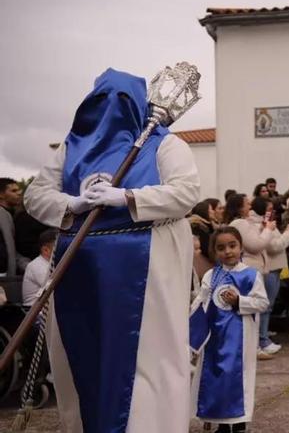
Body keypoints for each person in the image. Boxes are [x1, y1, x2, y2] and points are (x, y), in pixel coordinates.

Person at [23, 68, 200, 432]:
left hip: (146, 268)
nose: (110, 110)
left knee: (146, 362)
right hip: (81, 268)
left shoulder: (164, 143)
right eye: (102, 101)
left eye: (120, 102)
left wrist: (128, 197)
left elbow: (186, 193)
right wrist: (73, 204)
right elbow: (35, 196)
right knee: (84, 358)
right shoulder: (71, 147)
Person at [191, 226, 269, 433]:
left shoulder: (251, 275)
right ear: (215, 252)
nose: (228, 251)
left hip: (240, 337)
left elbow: (262, 303)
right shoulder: (211, 275)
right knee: (216, 377)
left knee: (237, 377)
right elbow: (201, 301)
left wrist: (240, 301)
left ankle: (238, 422)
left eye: (232, 246)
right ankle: (221, 423)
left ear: (241, 247)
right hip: (215, 336)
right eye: (221, 248)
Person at [227, 194, 289, 357]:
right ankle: (255, 345)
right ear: (239, 207)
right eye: (246, 204)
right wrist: (269, 230)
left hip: (256, 269)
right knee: (253, 307)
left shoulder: (245, 222)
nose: (249, 207)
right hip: (250, 268)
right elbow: (256, 245)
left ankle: (255, 344)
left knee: (257, 307)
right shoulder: (239, 223)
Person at [22, 229, 57, 307]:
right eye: (58, 247)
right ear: (46, 250)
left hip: (48, 309)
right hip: (34, 312)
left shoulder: (53, 263)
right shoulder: (36, 265)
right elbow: (54, 287)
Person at [0, 177, 29, 276]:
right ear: (1, 195)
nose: (19, 193)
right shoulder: (2, 214)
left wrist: (29, 266)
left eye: (19, 190)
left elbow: (11, 250)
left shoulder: (11, 214)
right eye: (13, 191)